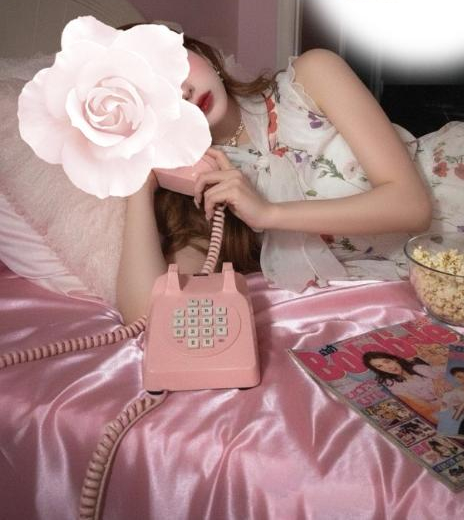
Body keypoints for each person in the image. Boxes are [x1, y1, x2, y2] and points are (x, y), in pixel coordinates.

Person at [117, 41, 432, 323]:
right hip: (423, 277)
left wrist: (269, 214)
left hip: (452, 198)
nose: (182, 92)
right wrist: (140, 180)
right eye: (157, 97)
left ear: (200, 53)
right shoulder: (203, 187)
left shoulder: (312, 76)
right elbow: (147, 315)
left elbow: (412, 207)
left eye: (174, 64)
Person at [363, 351, 449, 422]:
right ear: (378, 370)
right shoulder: (395, 386)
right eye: (380, 366)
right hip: (440, 409)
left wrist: (439, 379)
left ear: (394, 360)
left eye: (387, 362)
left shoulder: (418, 368)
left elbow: (447, 373)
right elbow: (425, 406)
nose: (388, 367)